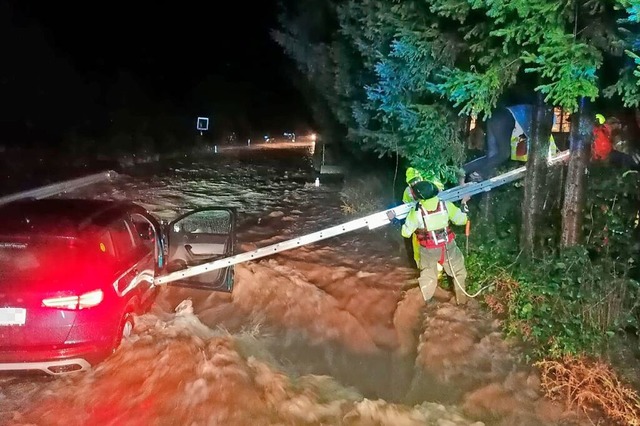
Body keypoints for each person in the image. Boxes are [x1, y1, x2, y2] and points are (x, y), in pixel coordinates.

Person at [392, 180, 469, 306]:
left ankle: (425, 305)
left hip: (428, 250)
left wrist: (395, 220)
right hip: (448, 247)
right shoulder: (446, 205)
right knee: (458, 272)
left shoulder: (416, 212)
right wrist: (464, 204)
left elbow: (406, 233)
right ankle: (462, 302)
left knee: (428, 277)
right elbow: (462, 220)